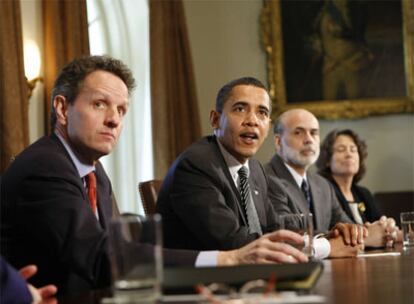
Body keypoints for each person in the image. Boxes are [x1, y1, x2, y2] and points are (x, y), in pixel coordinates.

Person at [0, 57, 307, 296]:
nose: (113, 119)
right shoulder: (45, 167)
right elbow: (100, 258)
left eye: (122, 110)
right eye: (100, 104)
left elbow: (115, 247)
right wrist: (227, 260)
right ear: (62, 109)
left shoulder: (94, 171)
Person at [156, 77, 348, 259]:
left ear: (268, 126)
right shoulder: (197, 164)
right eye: (240, 109)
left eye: (262, 113)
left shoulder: (254, 169)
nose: (252, 120)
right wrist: (327, 248)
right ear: (215, 120)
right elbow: (235, 242)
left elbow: (275, 229)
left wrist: (330, 237)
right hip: (200, 286)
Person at [265, 109, 396, 256]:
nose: (309, 139)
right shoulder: (266, 178)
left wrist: (378, 230)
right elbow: (290, 235)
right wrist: (367, 237)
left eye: (313, 133)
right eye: (298, 132)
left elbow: (349, 226)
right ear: (278, 142)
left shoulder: (322, 184)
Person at [316, 129, 401, 242]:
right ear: (327, 160)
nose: (349, 154)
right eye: (341, 150)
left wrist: (388, 227)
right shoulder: (324, 192)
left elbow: (380, 223)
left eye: (353, 149)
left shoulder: (363, 193)